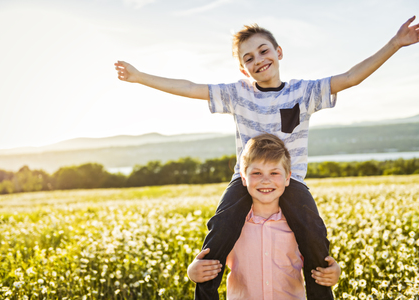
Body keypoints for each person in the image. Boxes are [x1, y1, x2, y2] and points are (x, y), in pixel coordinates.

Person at [114, 17, 419, 300]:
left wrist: (395, 43)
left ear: (279, 52)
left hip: (291, 180)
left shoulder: (304, 92)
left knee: (314, 234)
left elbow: (351, 77)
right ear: (242, 69)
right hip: (245, 180)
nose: (258, 60)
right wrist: (140, 77)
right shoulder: (238, 94)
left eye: (263, 51)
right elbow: (191, 88)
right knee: (219, 230)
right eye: (248, 58)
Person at [187, 133, 341, 299]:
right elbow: (211, 261)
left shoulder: (299, 226)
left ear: (288, 178)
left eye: (274, 173)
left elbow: (315, 261)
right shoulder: (231, 226)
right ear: (243, 178)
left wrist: (333, 272)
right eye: (257, 173)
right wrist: (193, 272)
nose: (265, 180)